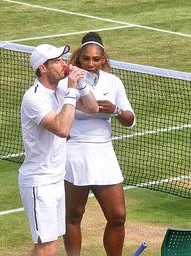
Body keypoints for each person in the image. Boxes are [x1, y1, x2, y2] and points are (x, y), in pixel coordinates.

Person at [19, 43, 98, 256]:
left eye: (62, 60)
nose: (63, 64)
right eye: (56, 61)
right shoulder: (34, 97)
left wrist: (79, 85)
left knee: (49, 246)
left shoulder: (62, 90)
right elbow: (62, 129)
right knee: (46, 247)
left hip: (55, 179)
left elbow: (93, 108)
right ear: (43, 68)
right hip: (39, 181)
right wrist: (72, 89)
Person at [63, 32, 136, 256]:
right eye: (87, 58)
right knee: (73, 215)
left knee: (118, 216)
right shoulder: (69, 82)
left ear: (103, 59)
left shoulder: (113, 82)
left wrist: (115, 110)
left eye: (96, 59)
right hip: (75, 152)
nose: (91, 63)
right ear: (80, 58)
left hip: (104, 153)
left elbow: (130, 119)